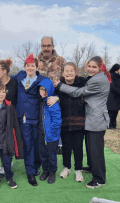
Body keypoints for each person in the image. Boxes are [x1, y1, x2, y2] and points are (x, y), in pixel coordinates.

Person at [54, 56, 111, 189]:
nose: (91, 69)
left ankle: (99, 179)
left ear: (100, 67)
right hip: (91, 119)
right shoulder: (95, 78)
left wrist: (61, 86)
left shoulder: (98, 80)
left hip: (96, 119)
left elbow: (79, 92)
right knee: (90, 148)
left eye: (94, 67)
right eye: (89, 66)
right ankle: (92, 168)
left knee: (96, 150)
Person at [11, 54, 48, 186]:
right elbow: (8, 78)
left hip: (36, 116)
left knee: (37, 143)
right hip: (23, 117)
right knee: (27, 145)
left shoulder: (42, 79)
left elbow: (51, 90)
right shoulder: (20, 75)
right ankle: (30, 173)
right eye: (28, 66)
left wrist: (55, 97)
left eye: (32, 66)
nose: (30, 68)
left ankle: (37, 165)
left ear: (37, 67)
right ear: (25, 67)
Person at [55, 62, 87, 182]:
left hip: (79, 121)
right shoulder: (58, 86)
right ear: (63, 73)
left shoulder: (82, 83)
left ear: (75, 71)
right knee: (66, 147)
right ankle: (67, 167)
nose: (69, 73)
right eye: (66, 71)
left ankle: (78, 169)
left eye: (71, 70)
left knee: (78, 147)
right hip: (64, 121)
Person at [0, 59, 18, 174]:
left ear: (5, 71)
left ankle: (7, 163)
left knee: (8, 139)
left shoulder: (14, 83)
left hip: (10, 116)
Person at [38, 78, 62, 184]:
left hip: (51, 135)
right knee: (43, 154)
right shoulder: (41, 102)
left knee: (51, 155)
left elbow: (57, 120)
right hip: (41, 134)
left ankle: (52, 172)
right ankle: (45, 170)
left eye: (45, 90)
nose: (42, 92)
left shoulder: (51, 103)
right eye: (40, 89)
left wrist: (52, 132)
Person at [107, 63, 120, 129]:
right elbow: (112, 87)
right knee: (111, 113)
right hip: (112, 97)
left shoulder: (118, 76)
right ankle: (109, 125)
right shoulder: (111, 76)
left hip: (117, 98)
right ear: (117, 69)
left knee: (115, 112)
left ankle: (114, 125)